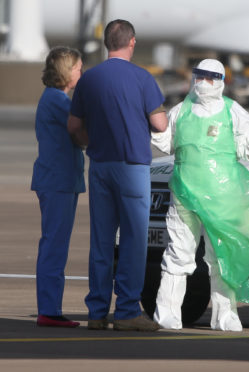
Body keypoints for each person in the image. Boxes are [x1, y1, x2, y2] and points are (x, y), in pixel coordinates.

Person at [152, 59, 249, 331]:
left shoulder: (233, 112)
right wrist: (152, 123)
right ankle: (166, 314)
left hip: (221, 200)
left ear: (221, 80)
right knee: (178, 254)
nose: (204, 82)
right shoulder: (181, 110)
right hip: (184, 196)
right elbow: (166, 144)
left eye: (211, 77)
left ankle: (225, 316)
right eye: (199, 75)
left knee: (221, 256)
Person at [67, 19, 168, 331]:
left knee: (101, 239)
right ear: (132, 42)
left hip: (99, 165)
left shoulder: (90, 79)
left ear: (106, 43)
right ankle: (126, 311)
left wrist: (88, 141)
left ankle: (97, 310)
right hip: (132, 167)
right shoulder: (142, 78)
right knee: (134, 240)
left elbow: (73, 126)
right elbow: (161, 125)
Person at [31, 46, 84, 328]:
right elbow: (80, 131)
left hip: (60, 180)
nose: (81, 72)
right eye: (78, 68)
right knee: (54, 244)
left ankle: (50, 307)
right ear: (66, 71)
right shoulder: (58, 100)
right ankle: (49, 310)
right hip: (58, 181)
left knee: (55, 243)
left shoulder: (55, 98)